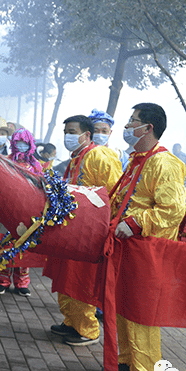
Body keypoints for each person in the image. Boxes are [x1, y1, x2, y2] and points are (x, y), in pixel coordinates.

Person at [111, 103, 186, 371]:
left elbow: (172, 211)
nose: (128, 127)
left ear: (148, 127)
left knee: (141, 311)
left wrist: (136, 223)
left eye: (133, 122)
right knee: (125, 305)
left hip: (147, 248)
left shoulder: (163, 163)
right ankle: (129, 364)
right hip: (128, 245)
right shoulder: (137, 160)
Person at [45, 115, 122, 346]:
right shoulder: (76, 157)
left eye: (72, 131)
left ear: (86, 135)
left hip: (89, 232)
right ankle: (71, 322)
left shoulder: (98, 155)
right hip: (74, 229)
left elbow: (113, 194)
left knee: (80, 280)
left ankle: (87, 329)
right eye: (66, 131)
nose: (68, 136)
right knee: (66, 278)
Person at [0, 129, 46, 297]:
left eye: (25, 142)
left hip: (28, 213)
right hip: (8, 211)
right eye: (18, 141)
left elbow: (42, 187)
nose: (21, 145)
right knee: (6, 247)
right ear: (13, 143)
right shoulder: (5, 161)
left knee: (25, 247)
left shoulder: (36, 165)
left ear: (31, 144)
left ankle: (22, 283)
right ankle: (3, 281)